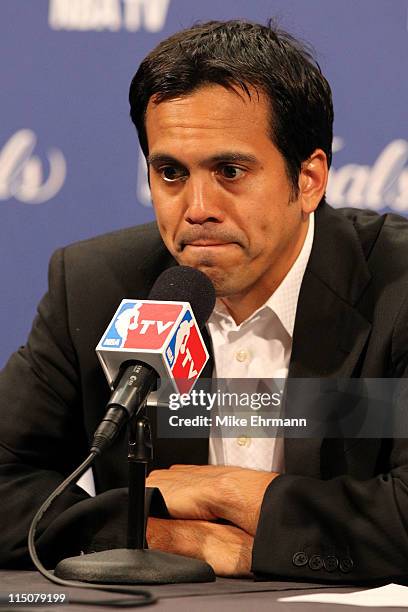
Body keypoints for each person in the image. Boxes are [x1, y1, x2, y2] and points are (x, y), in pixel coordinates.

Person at [1, 19, 408, 583]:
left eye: (230, 170)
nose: (197, 208)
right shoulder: (95, 287)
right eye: (170, 173)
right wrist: (163, 535)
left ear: (310, 178)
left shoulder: (398, 289)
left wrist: (226, 492)